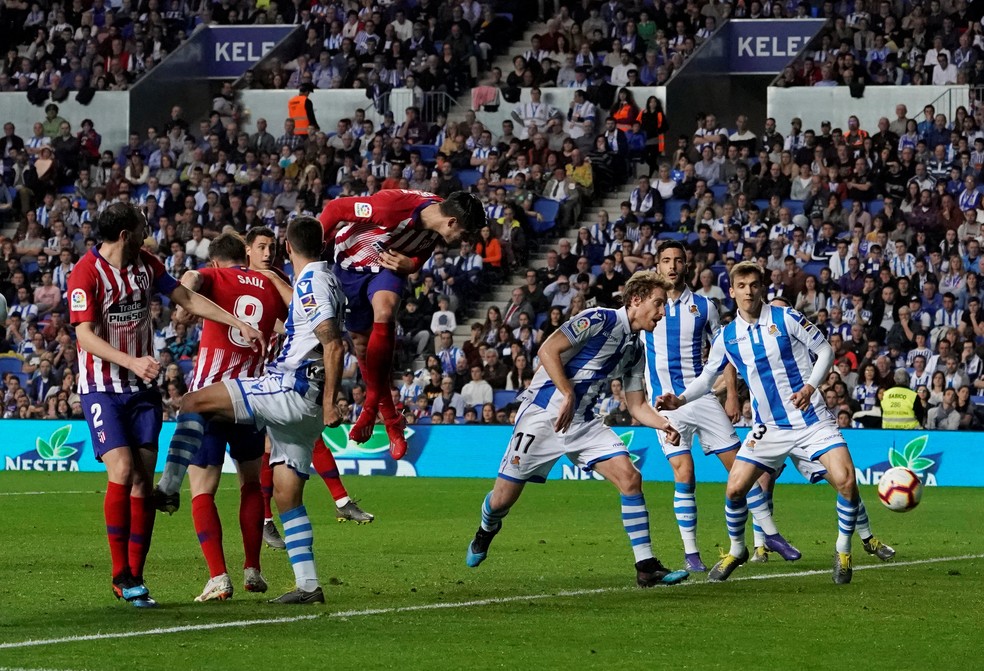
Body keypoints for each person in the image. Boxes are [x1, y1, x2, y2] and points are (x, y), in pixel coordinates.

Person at [68, 203, 265, 608]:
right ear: (125, 234)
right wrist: (132, 362)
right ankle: (119, 573)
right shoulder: (85, 273)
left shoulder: (146, 264)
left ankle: (136, 577)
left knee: (142, 480)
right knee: (122, 469)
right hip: (103, 387)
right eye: (141, 228)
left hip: (142, 391)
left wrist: (235, 321)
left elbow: (187, 299)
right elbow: (84, 336)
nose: (147, 233)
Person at [154, 216, 345, 604]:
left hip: (268, 391)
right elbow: (296, 324)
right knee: (281, 492)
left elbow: (191, 281)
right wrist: (274, 279)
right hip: (284, 404)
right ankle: (304, 584)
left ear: (288, 249)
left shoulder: (291, 281)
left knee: (191, 407)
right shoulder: (306, 283)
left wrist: (331, 403)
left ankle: (169, 490)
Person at [465, 272, 690, 588]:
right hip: (544, 417)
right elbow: (547, 350)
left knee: (630, 478)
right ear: (636, 300)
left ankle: (646, 566)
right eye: (658, 303)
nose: (662, 312)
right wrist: (567, 393)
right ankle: (485, 530)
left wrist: (664, 423)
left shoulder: (636, 350)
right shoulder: (599, 319)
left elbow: (637, 404)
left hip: (583, 423)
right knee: (501, 501)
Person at [658, 261, 861, 584]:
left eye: (753, 284)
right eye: (742, 286)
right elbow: (708, 376)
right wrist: (681, 400)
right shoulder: (728, 336)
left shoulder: (786, 318)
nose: (748, 291)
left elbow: (824, 351)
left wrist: (810, 387)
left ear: (761, 286)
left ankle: (843, 549)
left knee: (846, 482)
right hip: (768, 428)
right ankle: (737, 549)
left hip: (810, 420)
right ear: (732, 291)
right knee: (735, 488)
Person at [641, 241, 798, 572]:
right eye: (666, 261)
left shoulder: (704, 306)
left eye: (678, 261)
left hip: (702, 397)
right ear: (658, 266)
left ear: (689, 266)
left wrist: (729, 394)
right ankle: (691, 553)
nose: (672, 266)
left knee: (743, 470)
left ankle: (769, 534)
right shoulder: (645, 306)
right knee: (685, 474)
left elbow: (724, 349)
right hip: (666, 403)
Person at [167, 233, 289, 602]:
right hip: (252, 400)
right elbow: (292, 321)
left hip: (210, 398)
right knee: (251, 484)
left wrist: (184, 302)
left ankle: (219, 576)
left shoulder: (215, 276)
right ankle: (253, 567)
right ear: (246, 255)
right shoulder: (270, 284)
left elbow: (190, 283)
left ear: (217, 260)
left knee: (203, 489)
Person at [319, 190, 485, 459]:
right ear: (452, 222)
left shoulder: (437, 218)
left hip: (387, 266)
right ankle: (392, 420)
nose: (467, 241)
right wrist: (315, 254)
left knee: (384, 312)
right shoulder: (390, 208)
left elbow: (423, 248)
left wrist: (413, 265)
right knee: (362, 347)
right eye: (466, 234)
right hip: (350, 264)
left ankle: (370, 409)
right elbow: (336, 208)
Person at [243, 228, 375, 553]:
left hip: (286, 367)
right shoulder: (242, 280)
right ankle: (266, 520)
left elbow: (294, 315)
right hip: (256, 363)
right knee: (263, 445)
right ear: (247, 249)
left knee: (291, 443)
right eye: (261, 247)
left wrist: (273, 283)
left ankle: (271, 522)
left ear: (285, 248)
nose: (267, 253)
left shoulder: (285, 278)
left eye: (271, 247)